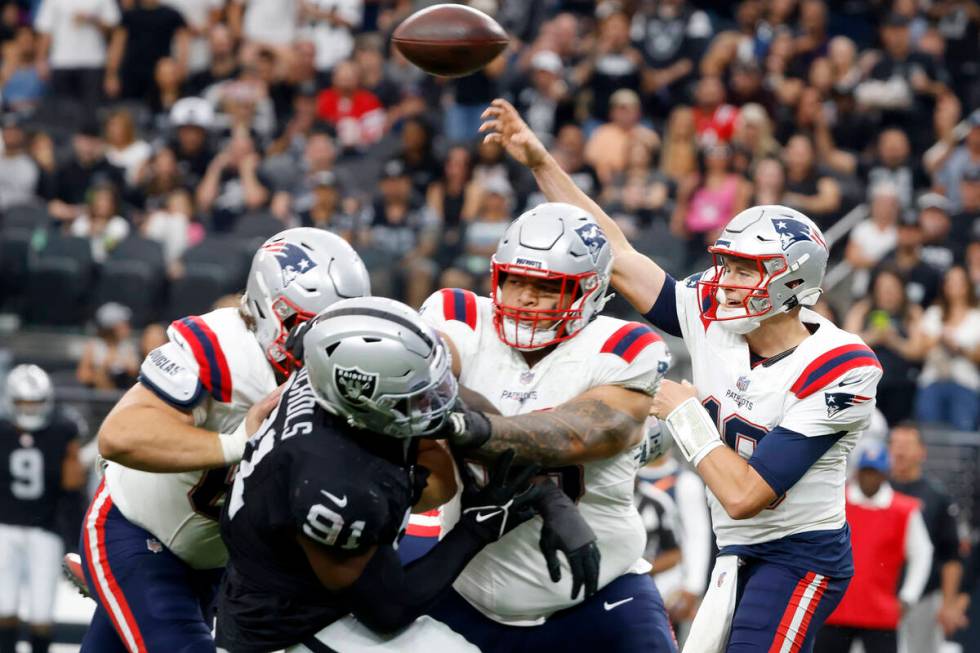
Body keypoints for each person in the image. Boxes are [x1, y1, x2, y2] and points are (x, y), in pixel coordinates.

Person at [478, 98, 884, 652]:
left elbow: (746, 494)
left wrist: (686, 415)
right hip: (733, 547)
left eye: (746, 270)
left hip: (798, 552)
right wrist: (539, 159)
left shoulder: (844, 367)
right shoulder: (711, 309)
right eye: (727, 264)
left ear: (795, 283)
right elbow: (615, 255)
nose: (727, 280)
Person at [75, 228, 371, 652]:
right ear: (273, 309)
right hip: (134, 530)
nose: (329, 348)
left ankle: (112, 586)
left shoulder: (342, 380)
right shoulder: (221, 347)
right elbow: (119, 435)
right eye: (313, 328)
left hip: (215, 560)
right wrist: (237, 443)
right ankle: (109, 572)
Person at [218, 296, 564, 651]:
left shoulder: (328, 378)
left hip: (279, 580)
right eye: (416, 395)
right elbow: (388, 611)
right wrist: (478, 528)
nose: (438, 400)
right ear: (359, 395)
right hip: (285, 631)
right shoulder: (337, 488)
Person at [413, 203, 677, 652]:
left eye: (545, 287)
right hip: (468, 588)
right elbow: (413, 380)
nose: (525, 298)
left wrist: (469, 426)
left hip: (599, 595)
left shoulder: (623, 347)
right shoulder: (458, 316)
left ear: (589, 292)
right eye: (515, 280)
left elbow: (582, 432)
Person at [814, 443, 933, 653]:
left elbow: (922, 553)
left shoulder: (903, 510)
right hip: (836, 608)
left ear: (885, 474)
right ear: (858, 472)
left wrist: (908, 597)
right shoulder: (836, 500)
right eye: (866, 472)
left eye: (875, 473)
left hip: (880, 611)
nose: (870, 478)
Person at [0, 365, 85, 653]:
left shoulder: (63, 430)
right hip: (5, 528)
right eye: (23, 403)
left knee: (41, 610)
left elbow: (73, 487)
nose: (29, 409)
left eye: (34, 402)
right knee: (4, 604)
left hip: (44, 529)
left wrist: (73, 537)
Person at [889, 423, 970, 651]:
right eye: (894, 444)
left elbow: (950, 555)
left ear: (921, 452)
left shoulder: (937, 497)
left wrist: (948, 603)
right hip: (881, 593)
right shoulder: (877, 490)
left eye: (906, 445)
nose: (899, 451)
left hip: (923, 597)